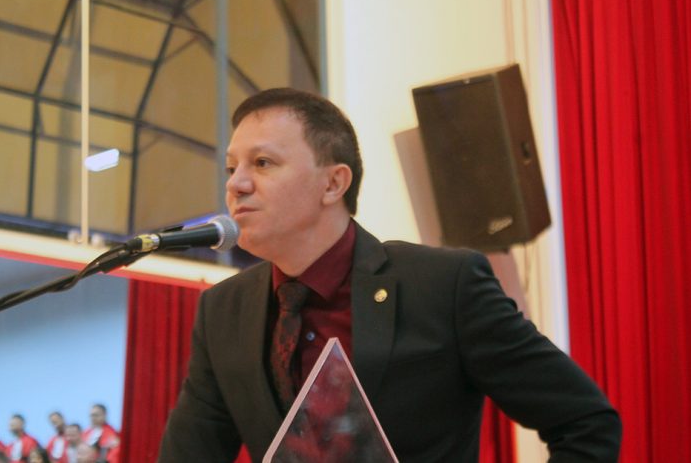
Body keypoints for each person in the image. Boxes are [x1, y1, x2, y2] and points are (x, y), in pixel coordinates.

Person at [157, 88, 622, 462]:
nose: (236, 184)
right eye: (231, 167)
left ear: (333, 183)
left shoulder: (442, 286)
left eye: (262, 163)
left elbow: (586, 424)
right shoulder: (224, 310)